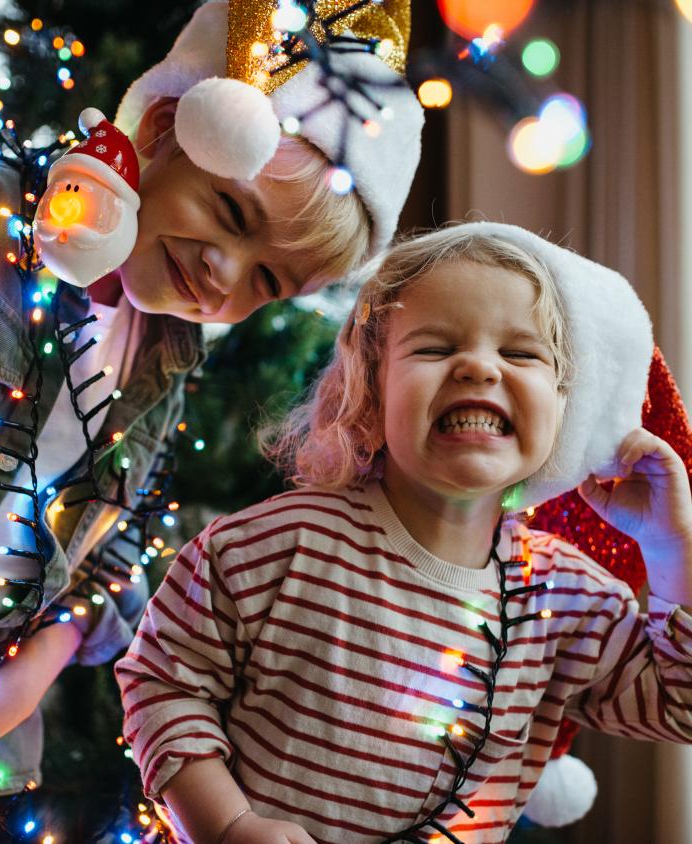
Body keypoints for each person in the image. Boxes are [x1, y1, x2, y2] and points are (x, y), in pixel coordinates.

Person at [0, 0, 423, 839]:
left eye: (268, 283)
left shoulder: (165, 358)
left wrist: (7, 696)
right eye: (234, 215)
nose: (223, 275)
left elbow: (107, 561)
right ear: (168, 126)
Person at [116, 223, 692, 844]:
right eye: (436, 349)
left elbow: (679, 704)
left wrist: (669, 546)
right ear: (371, 387)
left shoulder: (565, 601)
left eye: (520, 354)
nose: (478, 367)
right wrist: (228, 826)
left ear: (566, 408)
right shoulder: (273, 547)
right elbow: (162, 681)